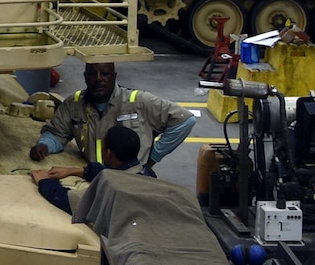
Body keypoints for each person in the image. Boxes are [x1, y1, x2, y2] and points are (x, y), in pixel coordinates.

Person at [29, 61, 196, 169]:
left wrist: (154, 156)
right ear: (85, 77)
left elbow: (185, 120)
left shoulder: (138, 101)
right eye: (93, 74)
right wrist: (44, 146)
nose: (99, 79)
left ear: (114, 77)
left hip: (130, 181)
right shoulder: (74, 104)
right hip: (94, 178)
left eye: (105, 74)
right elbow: (57, 133)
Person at [33, 123, 142, 212]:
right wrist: (71, 171)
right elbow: (105, 172)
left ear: (108, 153)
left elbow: (67, 201)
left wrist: (44, 181)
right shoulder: (144, 172)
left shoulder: (112, 189)